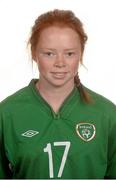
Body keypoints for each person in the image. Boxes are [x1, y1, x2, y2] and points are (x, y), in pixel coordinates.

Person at [0, 9, 116, 179]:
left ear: (80, 54)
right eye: (49, 53)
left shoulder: (106, 114)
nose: (60, 63)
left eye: (69, 53)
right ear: (34, 53)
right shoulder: (7, 113)